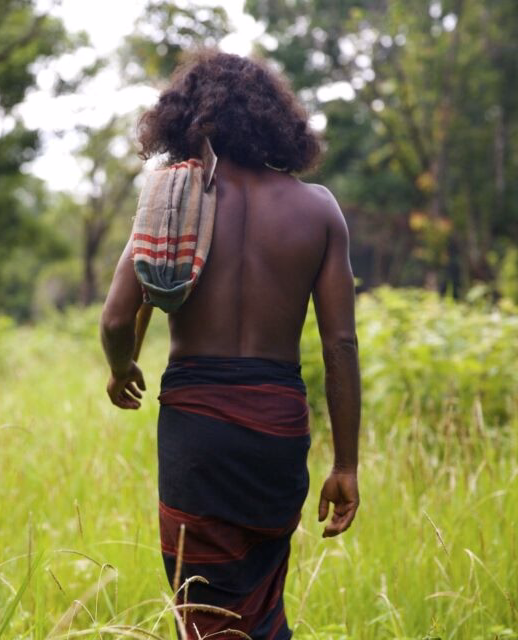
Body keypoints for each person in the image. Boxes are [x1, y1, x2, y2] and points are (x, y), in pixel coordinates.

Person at [99, 51, 360, 639]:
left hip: (198, 434)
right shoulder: (318, 209)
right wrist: (345, 464)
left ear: (187, 119)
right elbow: (340, 343)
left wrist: (121, 370)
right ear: (275, 121)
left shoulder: (172, 203)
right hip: (278, 429)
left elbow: (117, 320)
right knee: (262, 603)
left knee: (206, 615)